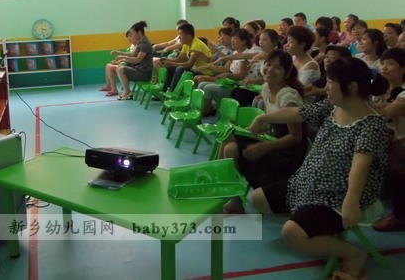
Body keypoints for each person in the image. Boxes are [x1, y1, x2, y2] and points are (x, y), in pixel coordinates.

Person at [248, 57, 388, 280]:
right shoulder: (333, 106)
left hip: (339, 195)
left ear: (352, 87)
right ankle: (308, 222)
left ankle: (353, 254)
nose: (326, 87)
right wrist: (264, 117)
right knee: (257, 199)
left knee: (291, 233)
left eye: (331, 82)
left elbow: (360, 166)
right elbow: (297, 113)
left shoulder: (372, 125)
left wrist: (351, 201)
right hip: (310, 182)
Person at [220, 50, 307, 214]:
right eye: (268, 64)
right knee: (230, 145)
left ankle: (221, 185)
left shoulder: (288, 97)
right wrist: (259, 129)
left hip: (287, 155)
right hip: (272, 144)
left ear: (287, 73)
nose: (270, 70)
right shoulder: (267, 88)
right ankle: (234, 198)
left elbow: (295, 137)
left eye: (278, 68)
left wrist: (263, 147)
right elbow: (273, 125)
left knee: (231, 140)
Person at [373, 48, 405, 232]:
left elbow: (387, 112)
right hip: (390, 143)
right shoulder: (383, 89)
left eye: (390, 64)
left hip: (400, 146)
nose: (384, 67)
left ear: (403, 69)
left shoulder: (403, 93)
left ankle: (400, 216)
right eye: (383, 63)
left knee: (393, 168)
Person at [161, 23, 213, 91]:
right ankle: (166, 90)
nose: (179, 37)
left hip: (204, 72)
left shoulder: (196, 44)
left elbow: (189, 65)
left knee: (180, 69)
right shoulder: (186, 44)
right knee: (170, 68)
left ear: (188, 36)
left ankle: (173, 91)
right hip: (195, 69)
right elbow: (179, 59)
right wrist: (166, 60)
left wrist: (171, 63)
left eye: (180, 34)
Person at [115, 21, 153, 100]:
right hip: (138, 69)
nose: (132, 35)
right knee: (119, 67)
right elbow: (132, 54)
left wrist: (124, 58)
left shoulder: (145, 44)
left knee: (121, 69)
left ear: (139, 32)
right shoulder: (140, 43)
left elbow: (138, 59)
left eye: (133, 33)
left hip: (143, 73)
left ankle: (127, 92)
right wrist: (119, 54)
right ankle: (127, 91)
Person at [99, 30, 135, 97]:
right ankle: (109, 85)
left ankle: (114, 89)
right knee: (108, 65)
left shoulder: (137, 46)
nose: (128, 38)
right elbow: (127, 57)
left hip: (129, 66)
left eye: (130, 36)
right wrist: (118, 61)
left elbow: (131, 59)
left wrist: (118, 61)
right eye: (127, 37)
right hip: (126, 64)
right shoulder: (132, 46)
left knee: (110, 67)